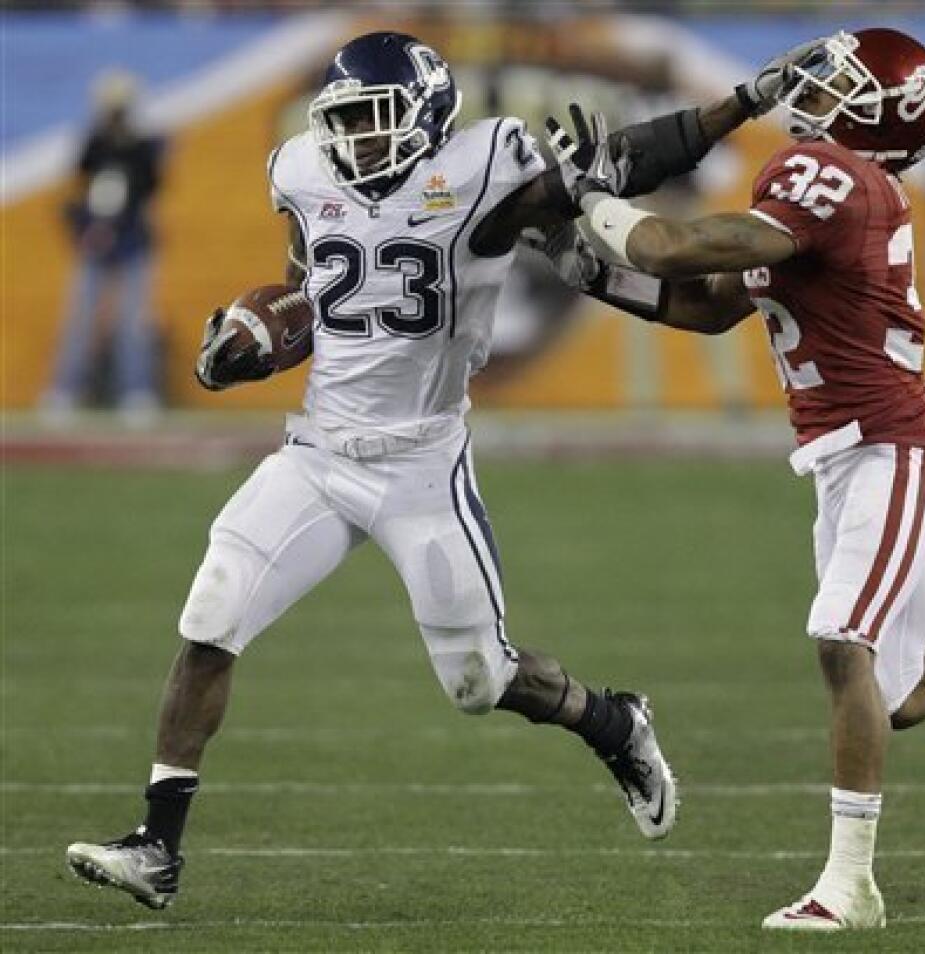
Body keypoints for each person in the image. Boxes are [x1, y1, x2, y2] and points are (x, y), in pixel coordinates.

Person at [63, 31, 814, 910]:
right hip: (318, 452)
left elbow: (621, 156)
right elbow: (308, 287)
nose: (356, 141)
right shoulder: (303, 170)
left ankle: (613, 721)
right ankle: (157, 847)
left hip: (422, 461)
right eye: (343, 122)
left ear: (424, 115)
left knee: (478, 682)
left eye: (373, 121)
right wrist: (252, 348)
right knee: (210, 616)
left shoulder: (484, 163)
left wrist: (738, 105)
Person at [533, 28, 925, 932]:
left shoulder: (840, 181)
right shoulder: (829, 187)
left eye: (844, 84)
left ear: (885, 118)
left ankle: (849, 887)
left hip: (890, 443)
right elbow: (712, 306)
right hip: (845, 453)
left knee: (843, 641)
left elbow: (673, 248)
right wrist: (583, 267)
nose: (819, 92)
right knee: (898, 696)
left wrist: (594, 200)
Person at [42, 69, 166, 424]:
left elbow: (148, 190)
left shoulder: (143, 145)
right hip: (95, 243)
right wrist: (89, 229)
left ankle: (137, 391)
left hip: (132, 242)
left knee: (134, 323)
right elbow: (81, 190)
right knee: (79, 319)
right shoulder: (95, 143)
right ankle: (65, 390)